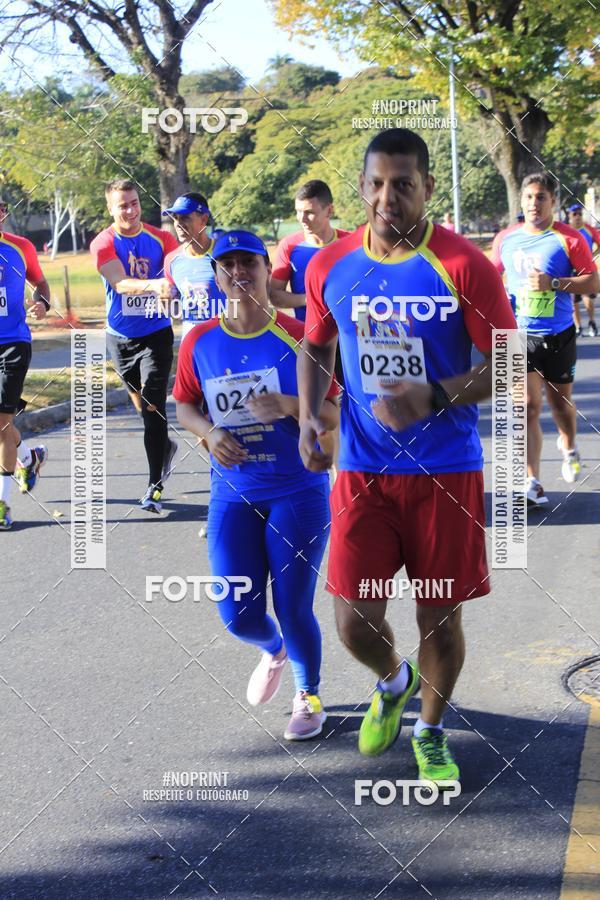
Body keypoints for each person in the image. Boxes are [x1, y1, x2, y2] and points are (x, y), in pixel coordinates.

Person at [297, 128, 516, 786]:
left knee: (437, 617)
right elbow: (316, 345)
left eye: (404, 184)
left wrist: (434, 396)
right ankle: (394, 679)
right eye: (378, 183)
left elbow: (507, 363)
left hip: (445, 473)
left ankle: (430, 730)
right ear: (362, 188)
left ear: (426, 189)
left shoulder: (465, 265)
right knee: (353, 622)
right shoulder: (329, 265)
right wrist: (309, 416)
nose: (388, 196)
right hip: (363, 471)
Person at [173, 229, 339, 741]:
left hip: (298, 488)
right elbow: (184, 404)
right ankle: (273, 648)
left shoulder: (302, 336)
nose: (239, 273)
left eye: (249, 263)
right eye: (228, 265)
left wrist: (292, 406)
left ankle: (308, 695)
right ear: (217, 275)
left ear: (268, 272)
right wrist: (209, 431)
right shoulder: (199, 340)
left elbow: (335, 412)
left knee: (292, 604)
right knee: (238, 614)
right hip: (233, 492)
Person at [493, 174, 598, 504]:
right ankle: (532, 482)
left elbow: (593, 283)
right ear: (521, 201)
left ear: (553, 201)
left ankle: (569, 445)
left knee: (560, 406)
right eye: (528, 197)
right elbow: (489, 276)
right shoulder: (505, 240)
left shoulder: (569, 239)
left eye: (540, 197)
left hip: (558, 335)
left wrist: (554, 284)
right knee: (526, 408)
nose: (533, 204)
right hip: (519, 335)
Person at [90, 179, 180, 514]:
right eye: (122, 205)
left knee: (154, 404)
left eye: (134, 202)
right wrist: (156, 284)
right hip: (120, 337)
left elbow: (177, 273)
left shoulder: (163, 238)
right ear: (110, 209)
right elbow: (121, 283)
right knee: (143, 409)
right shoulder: (103, 242)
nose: (130, 210)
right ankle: (164, 447)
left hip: (156, 333)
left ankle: (154, 486)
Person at [0, 198, 51, 529]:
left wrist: (42, 302)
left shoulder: (20, 248)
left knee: (2, 424)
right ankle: (29, 457)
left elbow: (41, 284)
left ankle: (2, 503)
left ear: (2, 213)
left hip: (13, 344)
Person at [270, 180, 350, 322]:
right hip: (307, 337)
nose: (302, 219)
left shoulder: (351, 243)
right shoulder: (289, 246)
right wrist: (311, 300)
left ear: (329, 210)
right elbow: (275, 296)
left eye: (309, 212)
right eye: (298, 211)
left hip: (347, 336)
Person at [162, 192, 226, 339]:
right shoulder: (171, 261)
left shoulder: (225, 255)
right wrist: (166, 303)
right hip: (191, 342)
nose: (178, 224)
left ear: (203, 219)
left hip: (226, 342)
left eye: (185, 217)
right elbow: (174, 309)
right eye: (175, 218)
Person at [567, 204, 599, 337]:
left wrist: (593, 256)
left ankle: (591, 322)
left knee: (587, 297)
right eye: (575, 214)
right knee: (573, 300)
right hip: (570, 269)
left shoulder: (589, 229)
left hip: (586, 269)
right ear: (569, 216)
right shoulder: (565, 231)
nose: (578, 216)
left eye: (580, 213)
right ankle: (578, 326)